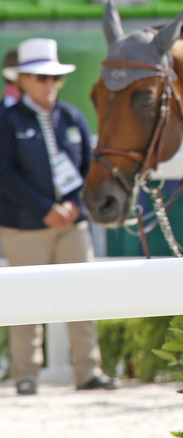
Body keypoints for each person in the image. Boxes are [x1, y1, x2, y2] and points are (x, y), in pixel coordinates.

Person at [0, 38, 117, 396]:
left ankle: (88, 371)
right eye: (39, 77)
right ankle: (25, 374)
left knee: (83, 295)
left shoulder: (72, 117)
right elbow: (5, 175)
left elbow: (89, 170)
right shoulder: (7, 120)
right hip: (24, 228)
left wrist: (75, 208)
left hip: (72, 225)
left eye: (52, 78)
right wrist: (45, 209)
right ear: (21, 79)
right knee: (25, 303)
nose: (47, 84)